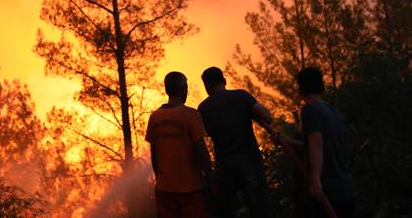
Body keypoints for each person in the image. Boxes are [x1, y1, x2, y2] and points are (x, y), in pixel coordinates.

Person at [278, 67, 356, 218]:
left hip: (327, 190)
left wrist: (315, 180)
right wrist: (287, 142)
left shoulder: (310, 110)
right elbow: (320, 145)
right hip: (345, 187)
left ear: (300, 87)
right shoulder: (334, 111)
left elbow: (316, 144)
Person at [198, 66, 272, 218]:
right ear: (224, 81)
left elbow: (203, 135)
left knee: (225, 211)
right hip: (250, 163)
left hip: (224, 168)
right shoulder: (241, 96)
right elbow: (267, 116)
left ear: (206, 87)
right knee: (259, 209)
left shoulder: (203, 108)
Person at [146, 71, 213, 218]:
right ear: (184, 89)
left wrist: (160, 179)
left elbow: (154, 155)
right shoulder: (191, 115)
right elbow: (201, 150)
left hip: (164, 190)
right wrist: (210, 178)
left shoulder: (155, 117)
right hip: (191, 189)